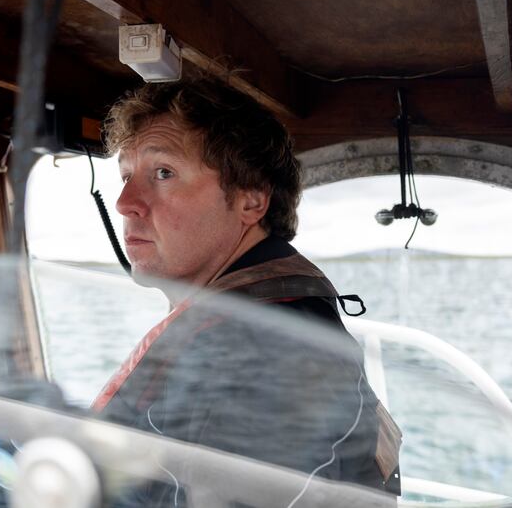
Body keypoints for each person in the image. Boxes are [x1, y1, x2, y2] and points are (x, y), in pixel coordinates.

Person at [94, 76, 401, 505]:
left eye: (163, 173)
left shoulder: (271, 354)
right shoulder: (246, 327)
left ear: (251, 201)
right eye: (126, 176)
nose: (125, 202)